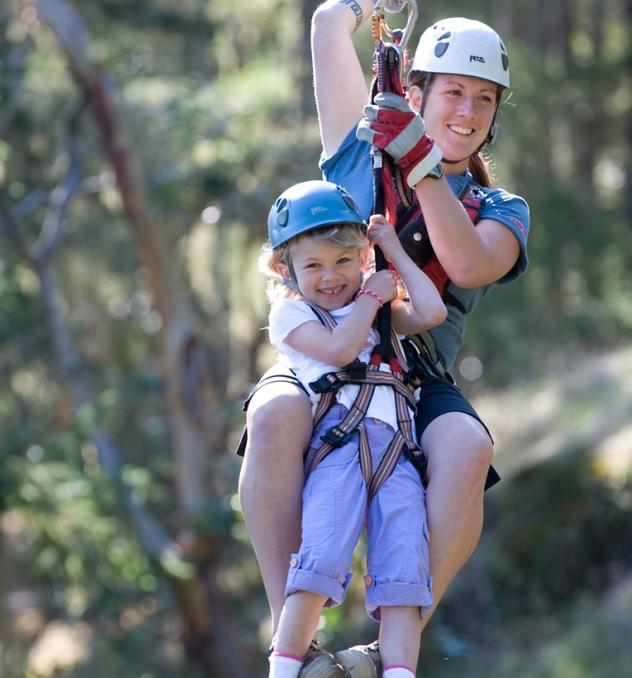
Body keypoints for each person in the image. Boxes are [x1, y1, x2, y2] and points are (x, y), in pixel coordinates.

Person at [238, 2, 530, 675]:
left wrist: (420, 162)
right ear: (416, 91)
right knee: (275, 412)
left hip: (418, 371)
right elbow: (323, 27)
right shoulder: (357, 153)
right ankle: (295, 643)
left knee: (467, 446)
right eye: (453, 91)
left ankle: (391, 647)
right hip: (330, 349)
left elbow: (463, 264)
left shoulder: (501, 210)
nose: (468, 110)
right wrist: (367, 8)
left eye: (484, 99)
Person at [261, 179, 446, 678]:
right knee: (318, 564)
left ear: (360, 257)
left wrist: (391, 252)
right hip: (339, 446)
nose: (330, 277)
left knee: (404, 574)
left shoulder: (379, 312)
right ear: (287, 270)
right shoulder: (293, 314)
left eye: (344, 261)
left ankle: (400, 671)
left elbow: (431, 311)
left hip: (400, 454)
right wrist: (371, 298)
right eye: (313, 266)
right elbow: (342, 349)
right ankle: (284, 668)